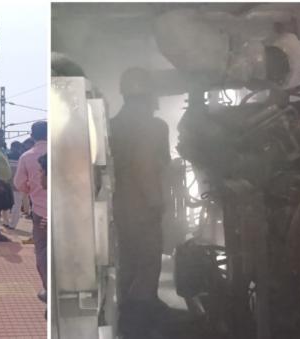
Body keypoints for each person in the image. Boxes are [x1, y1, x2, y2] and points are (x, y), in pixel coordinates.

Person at [110, 67, 170, 338]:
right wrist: (157, 203)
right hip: (144, 206)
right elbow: (145, 165)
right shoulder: (154, 126)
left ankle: (124, 314)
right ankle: (140, 320)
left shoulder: (112, 125)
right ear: (149, 94)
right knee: (148, 262)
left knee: (126, 261)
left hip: (118, 206)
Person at [14, 121, 48, 301]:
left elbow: (19, 183)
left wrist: (31, 189)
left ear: (32, 135)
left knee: (42, 250)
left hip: (40, 211)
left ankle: (47, 288)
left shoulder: (27, 156)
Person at [2, 141, 24, 230]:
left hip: (6, 183)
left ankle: (6, 222)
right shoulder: (22, 157)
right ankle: (12, 224)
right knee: (17, 205)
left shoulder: (5, 157)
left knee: (5, 204)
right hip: (18, 184)